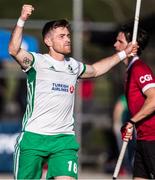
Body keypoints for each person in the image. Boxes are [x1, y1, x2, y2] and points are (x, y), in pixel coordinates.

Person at [8, 4, 137, 180]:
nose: (67, 39)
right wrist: (22, 19)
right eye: (61, 36)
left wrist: (124, 54)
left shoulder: (73, 66)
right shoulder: (36, 62)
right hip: (34, 138)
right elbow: (13, 50)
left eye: (68, 35)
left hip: (63, 140)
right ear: (48, 41)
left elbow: (96, 69)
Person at [114, 23, 155, 179]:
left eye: (120, 42)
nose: (115, 45)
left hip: (152, 138)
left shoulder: (139, 68)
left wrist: (131, 122)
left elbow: (153, 99)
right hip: (143, 137)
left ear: (133, 47)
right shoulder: (130, 70)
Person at [113, 94, 135, 175]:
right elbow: (118, 109)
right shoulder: (126, 97)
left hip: (132, 128)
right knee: (124, 149)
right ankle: (126, 167)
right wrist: (116, 124)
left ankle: (129, 167)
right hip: (125, 127)